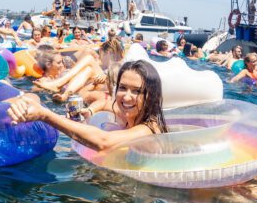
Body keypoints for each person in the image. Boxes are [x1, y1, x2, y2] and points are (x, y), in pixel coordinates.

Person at [9, 60, 167, 152]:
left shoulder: (150, 127)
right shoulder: (128, 113)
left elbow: (103, 142)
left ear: (151, 95)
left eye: (137, 91)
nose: (126, 96)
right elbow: (105, 103)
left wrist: (45, 115)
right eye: (123, 88)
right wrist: (88, 112)